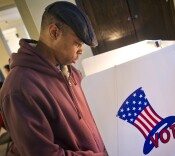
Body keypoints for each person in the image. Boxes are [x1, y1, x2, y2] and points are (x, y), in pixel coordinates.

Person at [0, 1, 108, 156]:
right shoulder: (19, 89)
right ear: (54, 32)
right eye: (77, 43)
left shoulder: (71, 72)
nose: (80, 51)